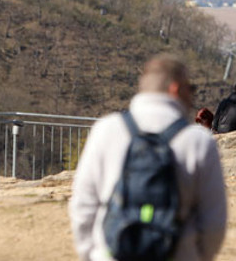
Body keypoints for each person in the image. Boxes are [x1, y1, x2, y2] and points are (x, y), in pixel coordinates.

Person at [69, 54, 227, 261]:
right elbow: (213, 222)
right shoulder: (199, 141)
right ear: (175, 88)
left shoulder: (106, 129)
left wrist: (90, 253)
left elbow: (83, 204)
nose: (192, 96)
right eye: (191, 89)